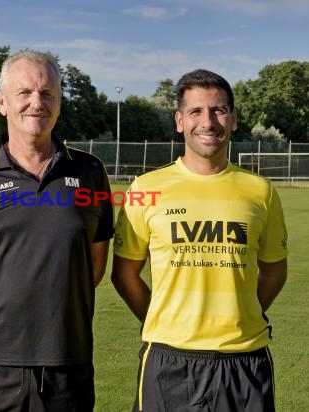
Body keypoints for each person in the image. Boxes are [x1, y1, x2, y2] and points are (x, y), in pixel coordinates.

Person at [0, 50, 114, 411]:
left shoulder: (91, 171)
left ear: (59, 102)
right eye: (24, 93)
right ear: (1, 102)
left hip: (67, 364)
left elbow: (92, 265)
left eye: (47, 93)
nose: (37, 103)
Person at [112, 69, 288, 412]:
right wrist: (160, 319)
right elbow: (124, 274)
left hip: (245, 359)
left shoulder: (261, 191)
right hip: (168, 359)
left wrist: (243, 313)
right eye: (195, 111)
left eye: (218, 110)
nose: (208, 122)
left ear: (234, 119)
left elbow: (275, 273)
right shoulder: (144, 189)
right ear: (180, 121)